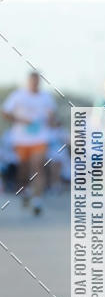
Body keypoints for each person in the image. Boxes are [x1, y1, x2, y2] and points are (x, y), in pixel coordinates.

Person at [2, 71, 57, 215]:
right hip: (21, 139)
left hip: (40, 138)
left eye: (37, 81)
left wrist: (51, 120)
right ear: (28, 82)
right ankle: (25, 191)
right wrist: (20, 120)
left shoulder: (46, 97)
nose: (34, 84)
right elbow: (5, 112)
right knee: (24, 169)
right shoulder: (18, 96)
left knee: (38, 165)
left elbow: (52, 116)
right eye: (32, 81)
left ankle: (37, 200)